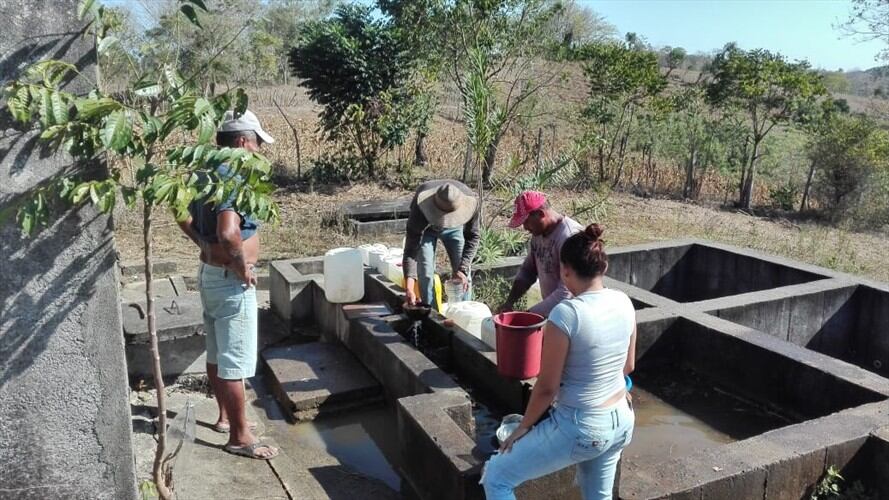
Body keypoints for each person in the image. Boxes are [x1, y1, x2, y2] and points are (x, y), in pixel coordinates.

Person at [481, 224, 637, 500]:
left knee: (496, 476)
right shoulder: (624, 301)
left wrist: (522, 429)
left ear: (565, 271)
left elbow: (546, 388)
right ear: (604, 266)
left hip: (582, 425)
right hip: (622, 420)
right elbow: (628, 367)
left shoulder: (566, 314)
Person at [176, 110, 278, 460]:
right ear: (241, 142)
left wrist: (204, 247)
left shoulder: (203, 169)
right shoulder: (234, 172)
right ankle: (240, 436)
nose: (259, 152)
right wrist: (239, 265)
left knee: (218, 353)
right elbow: (229, 232)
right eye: (256, 144)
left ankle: (223, 417)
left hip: (209, 274)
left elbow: (179, 212)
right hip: (230, 280)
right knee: (235, 360)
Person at [497, 191, 583, 317]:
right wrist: (509, 303)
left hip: (573, 315)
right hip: (554, 313)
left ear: (541, 214)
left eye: (526, 222)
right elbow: (528, 271)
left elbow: (566, 292)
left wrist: (527, 316)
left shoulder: (570, 237)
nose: (525, 228)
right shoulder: (538, 234)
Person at [402, 180, 480, 306]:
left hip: (455, 228)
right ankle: (431, 316)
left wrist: (463, 269)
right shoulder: (420, 206)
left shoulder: (470, 201)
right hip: (427, 229)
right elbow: (411, 250)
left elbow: (473, 236)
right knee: (425, 274)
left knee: (464, 277)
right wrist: (409, 289)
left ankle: (462, 313)